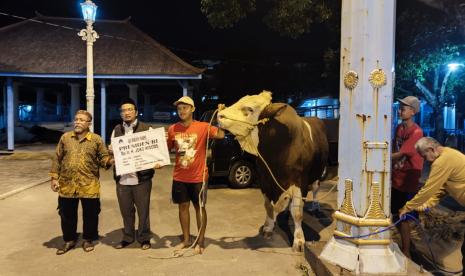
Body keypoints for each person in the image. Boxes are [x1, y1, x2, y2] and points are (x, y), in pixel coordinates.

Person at [50, 110, 113, 255]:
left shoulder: (96, 139)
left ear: (89, 123)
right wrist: (54, 177)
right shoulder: (65, 138)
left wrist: (111, 159)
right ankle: (69, 240)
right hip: (67, 184)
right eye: (76, 119)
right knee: (66, 214)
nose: (78, 122)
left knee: (91, 214)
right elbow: (57, 158)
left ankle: (88, 239)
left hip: (89, 185)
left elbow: (103, 159)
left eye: (82, 120)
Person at [167, 96, 225, 254]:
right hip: (179, 176)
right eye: (179, 108)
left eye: (185, 108)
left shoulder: (203, 127)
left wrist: (221, 116)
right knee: (182, 207)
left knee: (199, 208)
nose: (181, 111)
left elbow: (220, 135)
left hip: (198, 177)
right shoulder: (173, 129)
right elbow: (166, 149)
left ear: (192, 109)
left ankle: (200, 241)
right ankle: (186, 240)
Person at [399, 137, 465, 270]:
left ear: (431, 149)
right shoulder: (449, 154)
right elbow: (441, 190)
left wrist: (408, 207)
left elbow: (428, 189)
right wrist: (425, 205)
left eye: (424, 156)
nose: (424, 160)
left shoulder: (441, 162)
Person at [110, 98, 158, 250]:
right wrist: (111, 154)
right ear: (121, 113)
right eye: (123, 110)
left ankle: (144, 237)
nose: (127, 112)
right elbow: (112, 152)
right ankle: (128, 237)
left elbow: (155, 151)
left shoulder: (147, 129)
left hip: (142, 179)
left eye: (130, 109)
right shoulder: (116, 129)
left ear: (136, 112)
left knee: (143, 210)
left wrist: (157, 161)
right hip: (122, 179)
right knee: (126, 210)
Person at [391, 96, 424, 258]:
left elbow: (402, 153)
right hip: (397, 177)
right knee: (396, 213)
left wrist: (380, 158)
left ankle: (407, 251)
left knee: (403, 216)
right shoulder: (399, 128)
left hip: (408, 180)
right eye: (400, 108)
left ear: (412, 111)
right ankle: (407, 245)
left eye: (403, 108)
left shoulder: (417, 132)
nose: (399, 111)